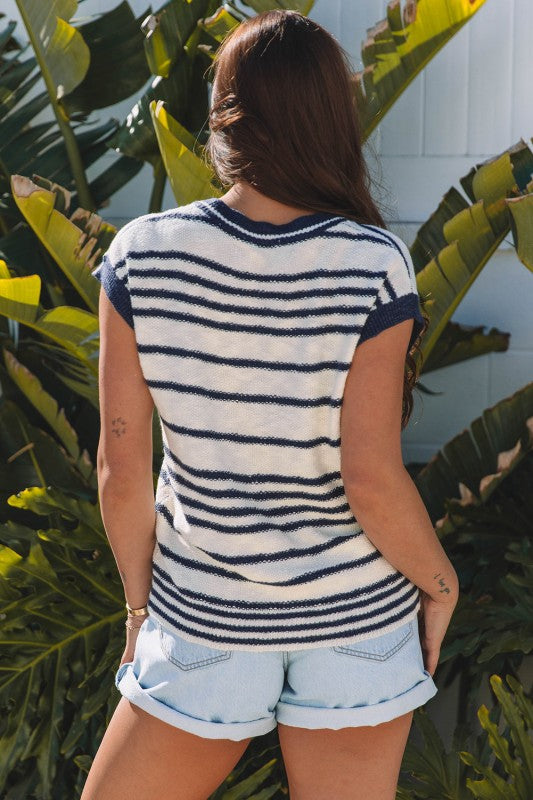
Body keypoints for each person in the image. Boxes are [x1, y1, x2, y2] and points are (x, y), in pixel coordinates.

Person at [81, 9, 459, 800]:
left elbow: (120, 465)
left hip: (204, 624)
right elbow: (370, 477)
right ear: (330, 119)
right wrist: (440, 583)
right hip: (354, 623)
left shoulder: (140, 255)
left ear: (224, 115)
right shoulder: (371, 264)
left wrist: (139, 609)